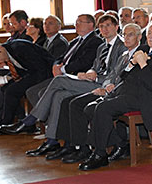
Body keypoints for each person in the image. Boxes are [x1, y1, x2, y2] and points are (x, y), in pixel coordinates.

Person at [15, 14, 126, 149]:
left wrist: (95, 77)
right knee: (58, 96)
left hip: (103, 86)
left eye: (108, 25)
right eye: (102, 26)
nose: (105, 29)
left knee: (59, 81)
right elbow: (94, 66)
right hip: (90, 80)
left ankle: (32, 118)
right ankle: (53, 140)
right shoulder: (102, 47)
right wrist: (90, 73)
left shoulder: (121, 46)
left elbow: (116, 73)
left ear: (116, 27)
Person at [80, 20, 152, 170]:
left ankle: (100, 154)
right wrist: (131, 64)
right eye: (149, 33)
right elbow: (124, 76)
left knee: (104, 108)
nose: (151, 36)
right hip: (127, 92)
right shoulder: (144, 49)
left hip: (148, 99)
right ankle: (121, 144)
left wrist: (143, 64)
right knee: (90, 108)